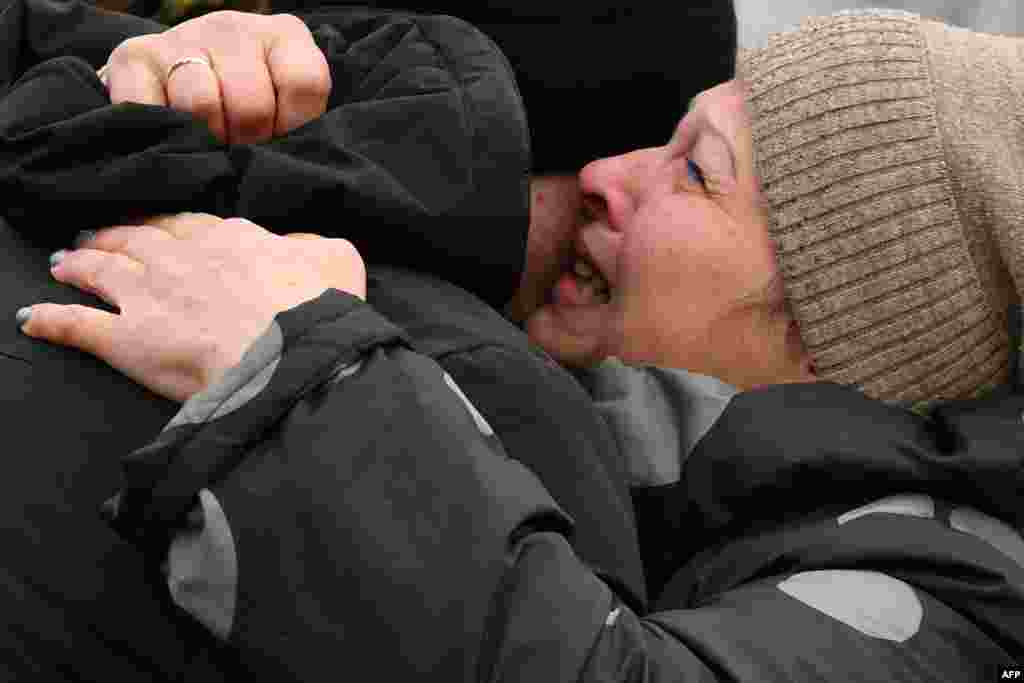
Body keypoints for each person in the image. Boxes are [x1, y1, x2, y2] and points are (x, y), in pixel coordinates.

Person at [2, 3, 1023, 681]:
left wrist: (303, 376)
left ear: (837, 337)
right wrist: (184, 80)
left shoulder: (960, 590)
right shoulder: (685, 483)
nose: (606, 174)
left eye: (695, 172)